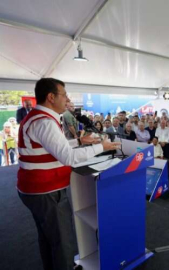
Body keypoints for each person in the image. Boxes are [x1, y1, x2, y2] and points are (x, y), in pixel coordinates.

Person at [16, 78, 120, 270]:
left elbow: (54, 149)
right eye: (64, 95)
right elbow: (69, 158)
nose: (67, 99)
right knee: (61, 241)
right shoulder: (45, 122)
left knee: (48, 238)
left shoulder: (36, 117)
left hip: (33, 190)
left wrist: (80, 142)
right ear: (51, 97)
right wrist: (100, 146)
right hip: (46, 192)